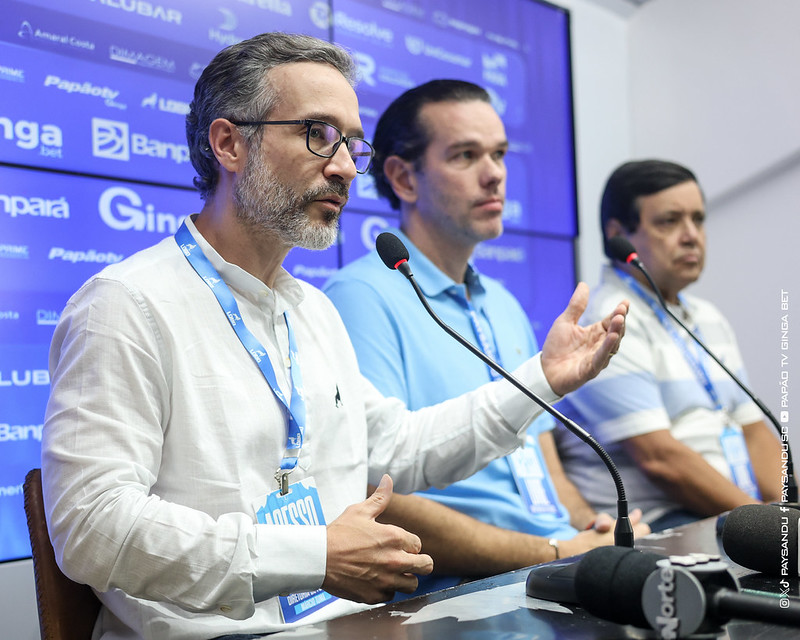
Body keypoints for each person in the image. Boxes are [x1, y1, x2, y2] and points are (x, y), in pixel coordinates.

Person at [41, 34, 629, 640]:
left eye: (352, 143)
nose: (345, 167)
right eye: (317, 134)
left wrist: (542, 379)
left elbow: (402, 448)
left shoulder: (313, 312)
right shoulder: (126, 304)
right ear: (229, 144)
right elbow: (91, 527)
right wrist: (314, 555)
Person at [323, 79, 649, 596]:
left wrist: (592, 529)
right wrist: (554, 552)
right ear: (403, 178)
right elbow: (371, 491)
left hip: (551, 562)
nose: (494, 173)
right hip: (462, 591)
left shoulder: (504, 302)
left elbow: (545, 462)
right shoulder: (358, 297)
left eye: (498, 154)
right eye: (465, 155)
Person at [555, 159, 782, 531]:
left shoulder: (709, 317)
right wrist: (770, 528)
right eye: (670, 221)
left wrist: (788, 512)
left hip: (735, 514)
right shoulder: (608, 322)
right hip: (663, 523)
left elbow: (753, 431)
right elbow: (661, 460)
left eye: (698, 219)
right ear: (618, 235)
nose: (691, 235)